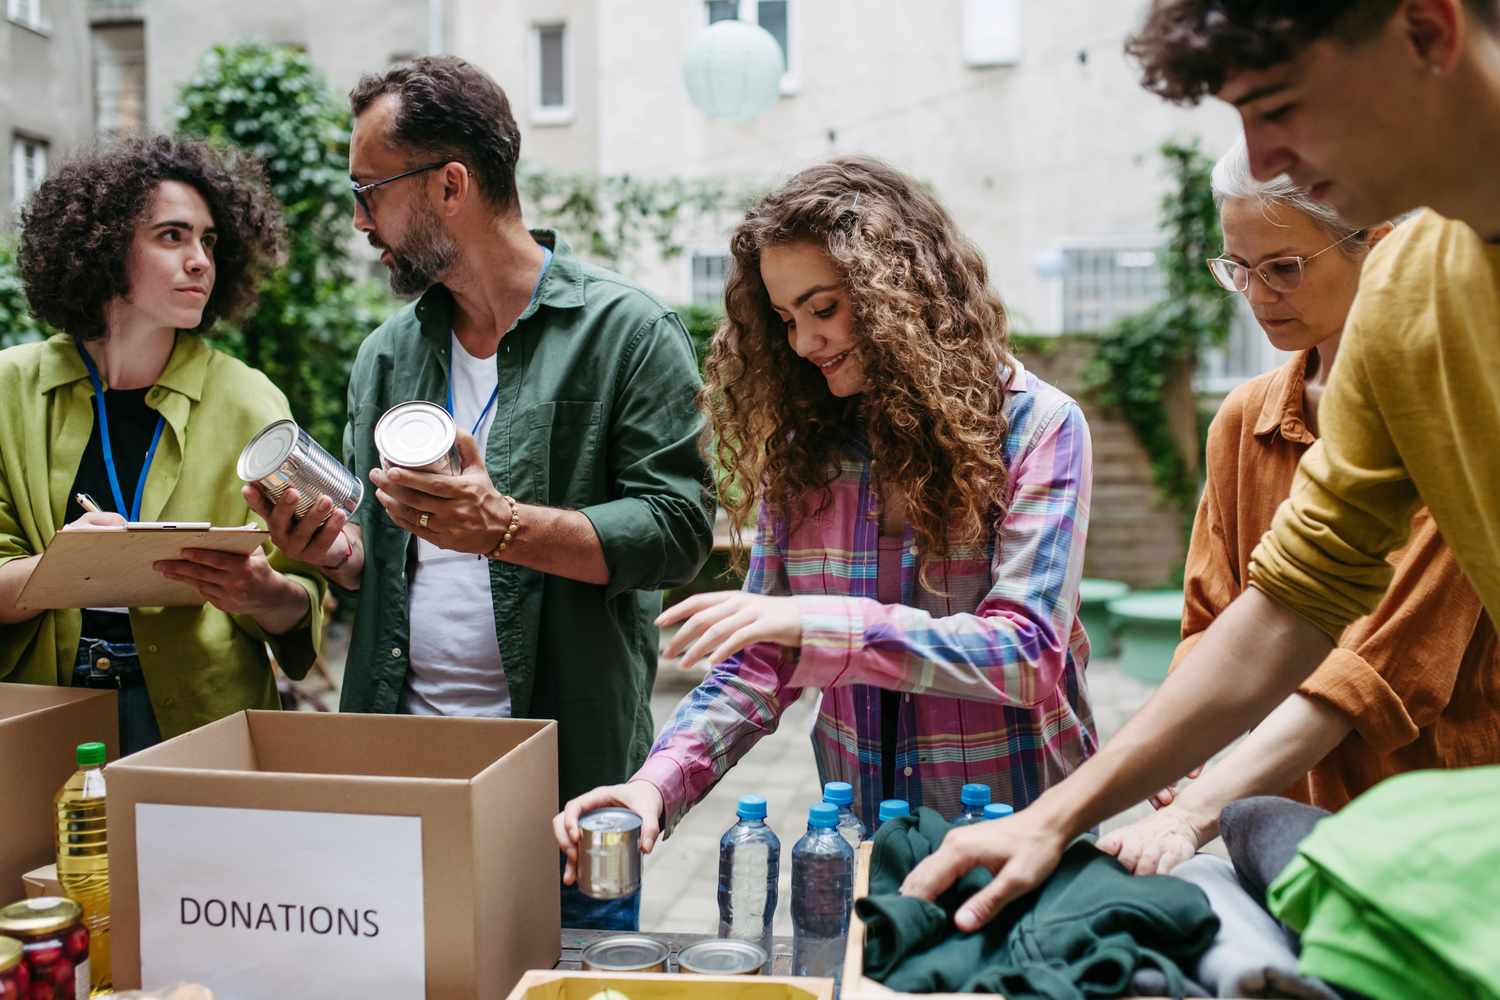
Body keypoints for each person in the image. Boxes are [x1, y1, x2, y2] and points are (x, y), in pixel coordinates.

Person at [901, 0, 1500, 932]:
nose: (1262, 162)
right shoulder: (1410, 293)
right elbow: (1295, 599)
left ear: (1427, 32)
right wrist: (1053, 818)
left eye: (1279, 107)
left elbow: (1370, 666)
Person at [251, 56, 713, 931]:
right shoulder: (385, 355)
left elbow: (678, 528)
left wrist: (503, 526)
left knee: (564, 979)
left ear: (450, 184)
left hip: (567, 780)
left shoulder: (629, 333)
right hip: (401, 764)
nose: (360, 221)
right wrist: (333, 552)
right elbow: (380, 564)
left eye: (371, 190)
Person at [553, 157, 1097, 882]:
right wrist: (655, 784)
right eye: (785, 321)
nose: (805, 344)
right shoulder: (807, 453)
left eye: (824, 308)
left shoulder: (1041, 429)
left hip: (1020, 835)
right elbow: (763, 654)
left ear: (900, 290)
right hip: (866, 839)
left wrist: (819, 622)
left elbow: (1026, 656)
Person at [1098, 139, 1500, 876]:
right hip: (1271, 818)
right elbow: (1212, 625)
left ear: (1375, 248)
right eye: (1237, 269)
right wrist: (1192, 760)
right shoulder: (1240, 419)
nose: (1255, 295)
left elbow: (1373, 671)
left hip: (1432, 832)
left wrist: (1198, 807)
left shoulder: (1451, 415)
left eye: (1282, 267)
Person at [0, 136, 328, 755]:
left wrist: (265, 595)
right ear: (101, 245)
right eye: (172, 236)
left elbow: (305, 593)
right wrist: (64, 571)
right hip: (40, 713)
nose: (201, 259)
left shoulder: (252, 400)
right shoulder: (8, 389)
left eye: (208, 240)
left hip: (203, 714)